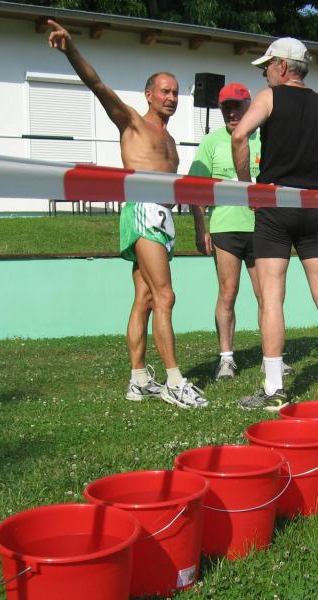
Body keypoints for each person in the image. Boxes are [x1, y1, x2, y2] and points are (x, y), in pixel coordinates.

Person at [45, 20, 207, 408]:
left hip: (163, 219)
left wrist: (198, 224)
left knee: (146, 298)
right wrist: (70, 50)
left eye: (176, 92)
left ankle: (138, 379)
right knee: (165, 295)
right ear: (149, 95)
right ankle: (174, 382)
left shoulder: (171, 140)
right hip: (142, 212)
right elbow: (97, 85)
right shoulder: (132, 122)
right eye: (165, 91)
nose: (171, 97)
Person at [231, 37, 318, 411]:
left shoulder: (269, 98)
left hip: (275, 204)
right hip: (313, 206)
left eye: (267, 66)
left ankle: (274, 389)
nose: (265, 74)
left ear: (282, 66)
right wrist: (311, 165)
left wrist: (247, 186)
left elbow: (239, 135)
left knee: (271, 296)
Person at [188, 83, 266, 381]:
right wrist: (200, 228)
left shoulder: (265, 138)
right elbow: (194, 188)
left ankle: (271, 358)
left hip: (262, 228)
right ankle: (226, 359)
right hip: (224, 228)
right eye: (226, 108)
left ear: (249, 106)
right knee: (228, 292)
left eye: (237, 106)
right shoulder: (211, 142)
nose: (232, 113)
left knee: (266, 294)